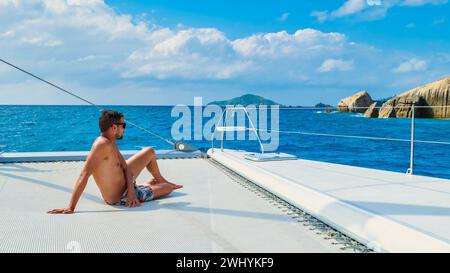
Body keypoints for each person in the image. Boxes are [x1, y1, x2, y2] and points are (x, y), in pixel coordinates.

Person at [47, 110, 182, 214]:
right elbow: (84, 174)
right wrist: (71, 207)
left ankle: (158, 180)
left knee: (149, 151)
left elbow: (125, 167)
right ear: (113, 127)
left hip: (127, 188)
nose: (124, 128)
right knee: (167, 189)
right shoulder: (101, 145)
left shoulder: (111, 142)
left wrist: (131, 189)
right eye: (123, 125)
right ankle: (158, 185)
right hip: (120, 198)